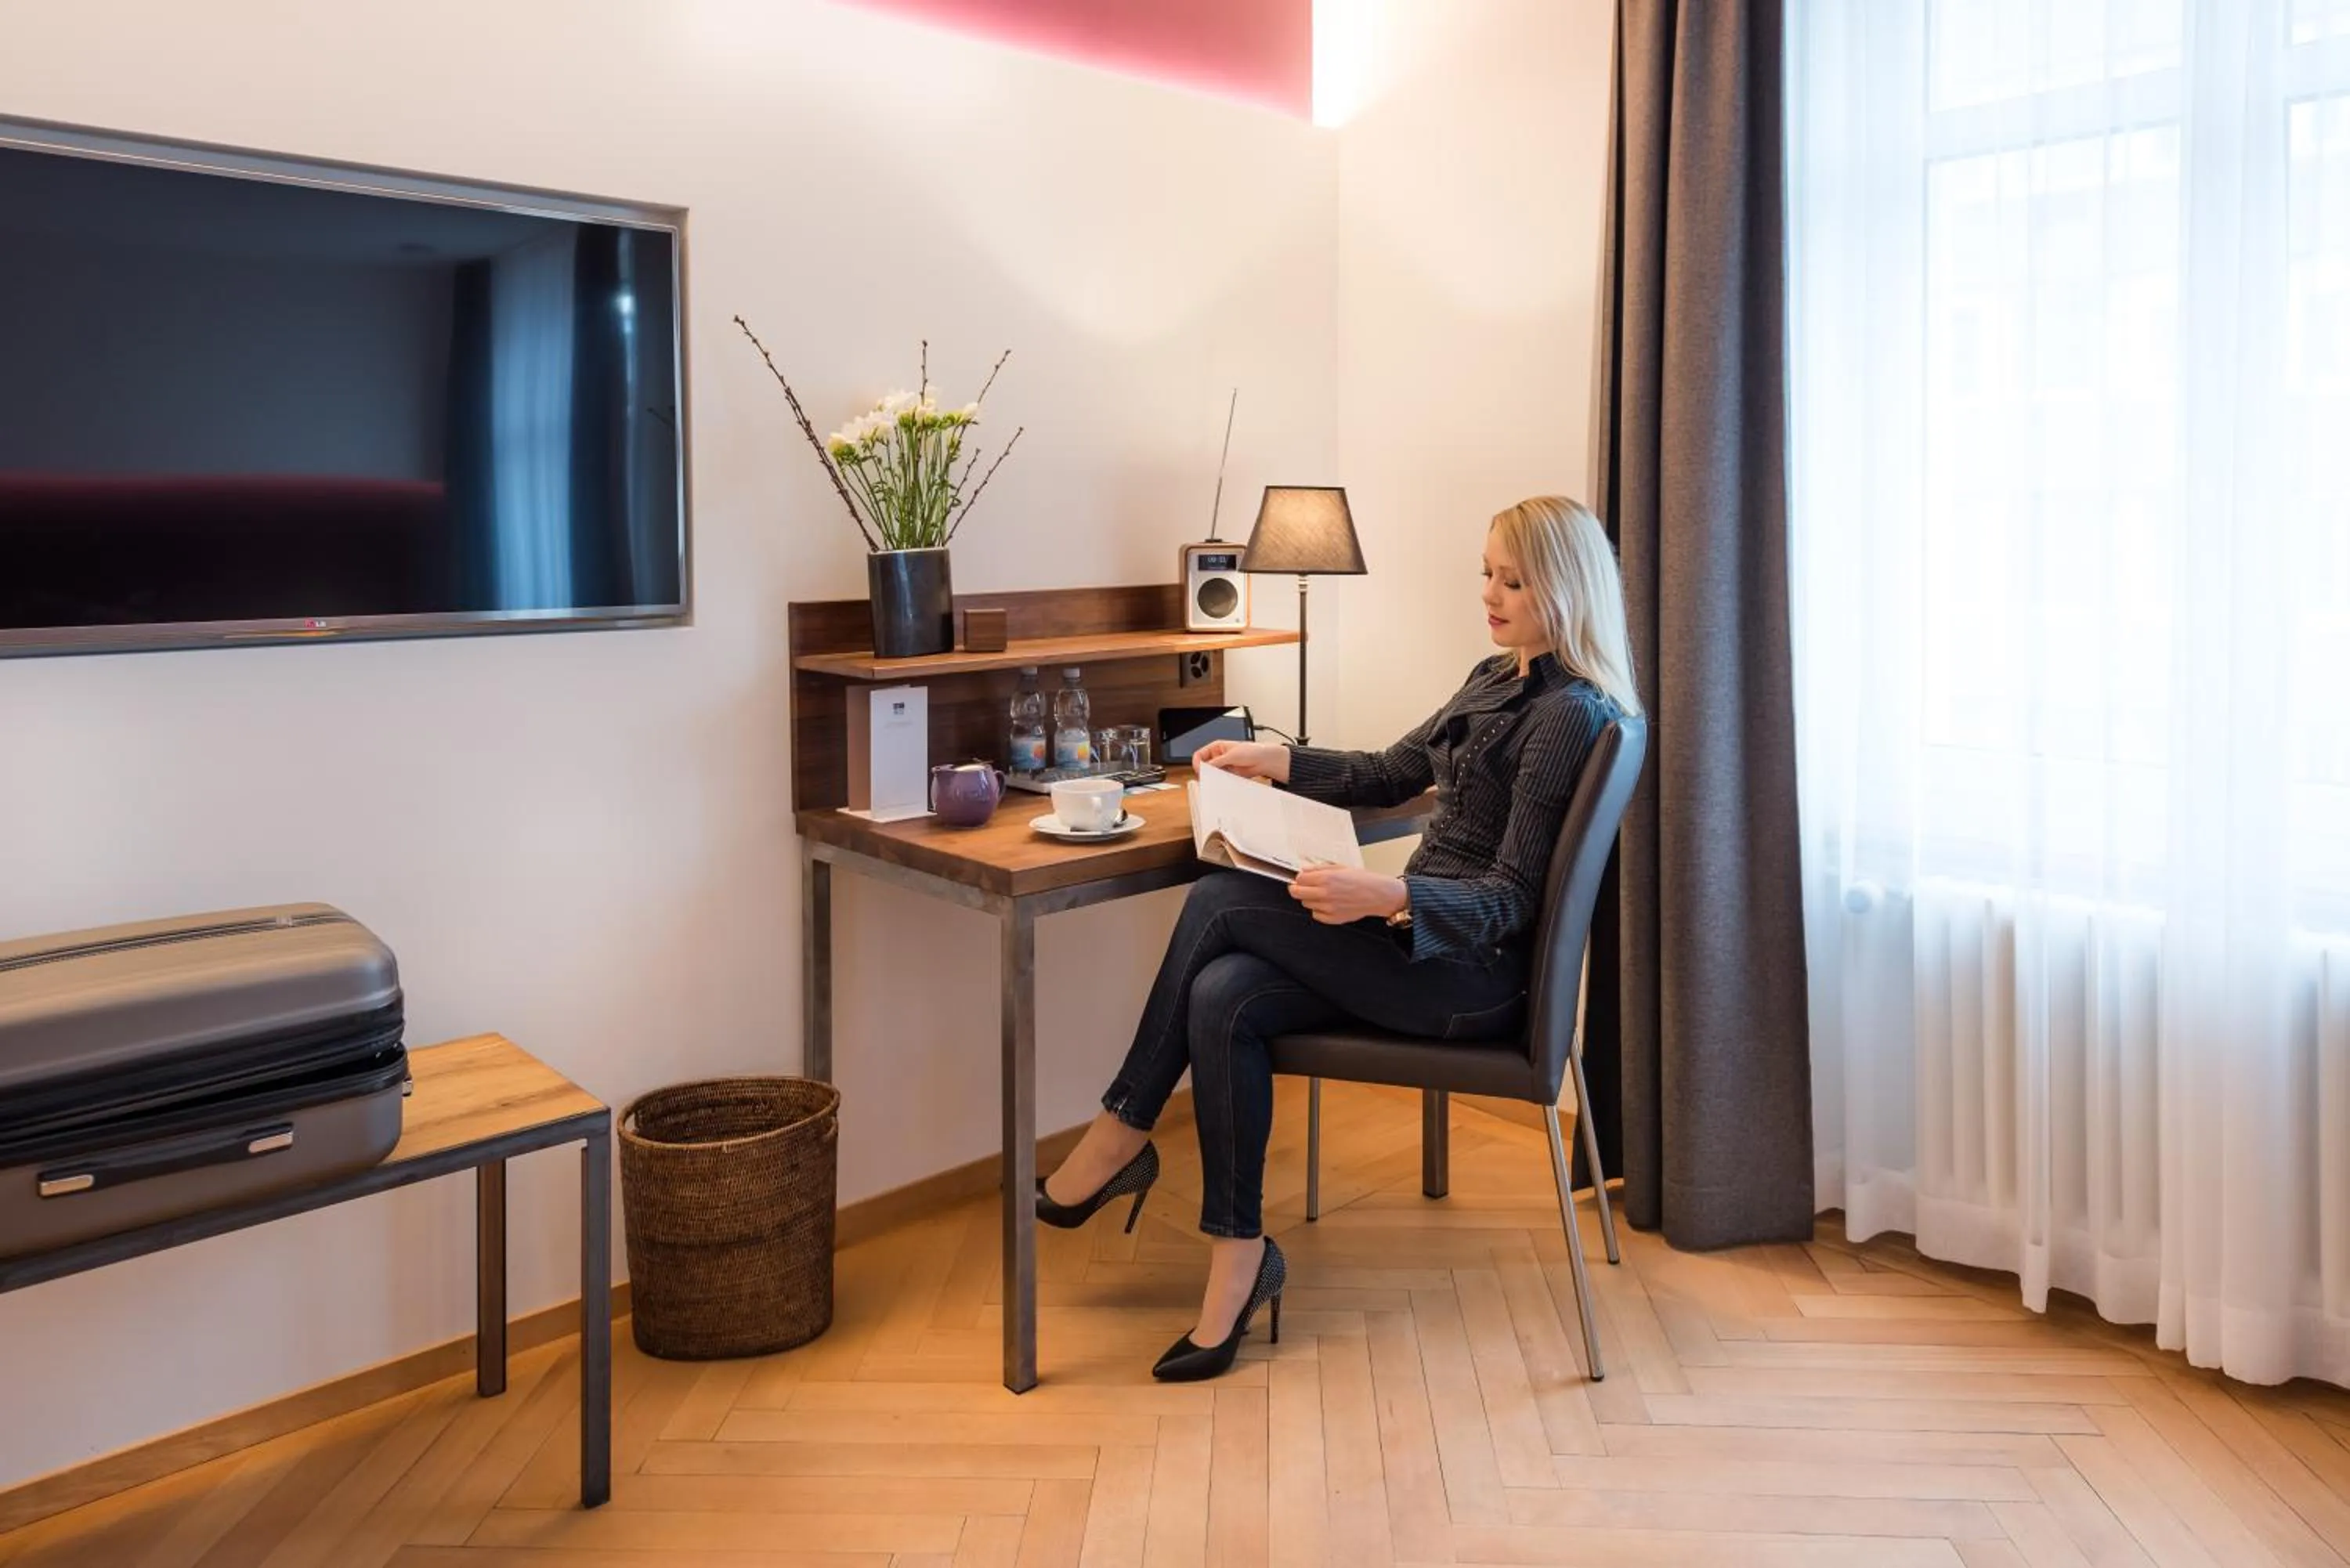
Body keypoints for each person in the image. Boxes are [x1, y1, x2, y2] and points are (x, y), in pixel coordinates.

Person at [1036, 496, 1643, 1382]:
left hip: (1466, 978)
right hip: (1412, 948)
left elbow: (1512, 899)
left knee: (1220, 899)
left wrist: (1388, 893)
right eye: (1487, 572)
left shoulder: (1568, 714)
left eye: (1514, 581)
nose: (1490, 593)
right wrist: (1277, 762)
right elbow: (1391, 772)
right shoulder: (1494, 675)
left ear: (1567, 589)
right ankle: (1240, 1261)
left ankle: (1120, 1134)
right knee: (1223, 994)